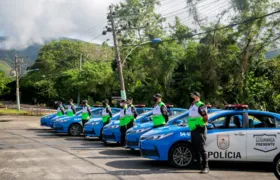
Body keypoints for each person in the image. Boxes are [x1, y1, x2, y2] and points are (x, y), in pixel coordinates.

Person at [188, 92, 209, 173]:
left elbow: (205, 117)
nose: (191, 97)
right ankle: (199, 165)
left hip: (199, 129)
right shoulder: (192, 106)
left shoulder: (200, 105)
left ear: (197, 97)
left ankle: (206, 167)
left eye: (192, 96)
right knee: (195, 147)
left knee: (201, 148)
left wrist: (203, 124)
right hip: (193, 129)